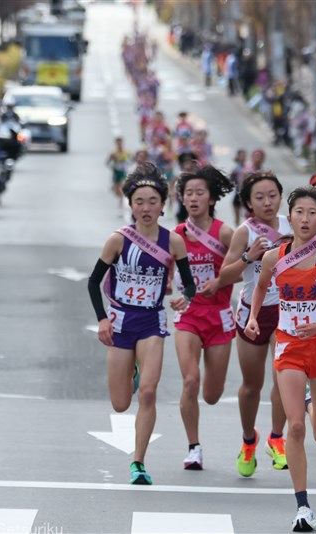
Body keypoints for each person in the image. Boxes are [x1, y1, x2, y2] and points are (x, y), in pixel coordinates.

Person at [244, 187, 316, 531]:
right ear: (290, 216)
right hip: (289, 347)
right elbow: (261, 287)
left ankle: (315, 403)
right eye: (299, 212)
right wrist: (254, 317)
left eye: (313, 213)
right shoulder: (274, 257)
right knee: (295, 426)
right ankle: (302, 506)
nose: (306, 219)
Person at [87, 163, 196, 485]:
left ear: (163, 205)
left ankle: (138, 463)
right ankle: (131, 370)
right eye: (139, 202)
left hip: (151, 322)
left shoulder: (173, 242)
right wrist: (102, 319)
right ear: (130, 205)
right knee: (121, 404)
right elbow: (93, 283)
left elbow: (188, 284)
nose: (146, 208)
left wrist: (183, 297)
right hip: (120, 322)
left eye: (152, 201)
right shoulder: (118, 241)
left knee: (148, 394)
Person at [217, 171, 291, 476]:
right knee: (251, 387)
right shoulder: (244, 232)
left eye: (272, 195)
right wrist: (249, 257)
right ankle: (249, 440)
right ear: (248, 202)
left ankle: (276, 437)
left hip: (287, 311)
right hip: (252, 313)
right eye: (259, 197)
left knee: (284, 376)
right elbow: (225, 277)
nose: (267, 202)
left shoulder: (292, 225)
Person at [172, 166, 235, 470]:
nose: (194, 198)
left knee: (211, 394)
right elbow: (164, 272)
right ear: (182, 199)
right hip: (190, 315)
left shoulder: (225, 233)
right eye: (188, 194)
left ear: (211, 199)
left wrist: (221, 282)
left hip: (220, 315)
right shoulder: (177, 236)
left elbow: (243, 266)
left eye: (200, 193)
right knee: (190, 380)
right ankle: (193, 447)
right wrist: (170, 295)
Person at [106, 137, 131, 211]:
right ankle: (117, 192)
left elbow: (131, 161)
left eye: (121, 143)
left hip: (123, 172)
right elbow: (107, 163)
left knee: (122, 189)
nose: (119, 144)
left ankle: (121, 205)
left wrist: (127, 164)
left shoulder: (127, 152)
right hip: (116, 172)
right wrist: (113, 162)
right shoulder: (113, 153)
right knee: (117, 192)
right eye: (118, 143)